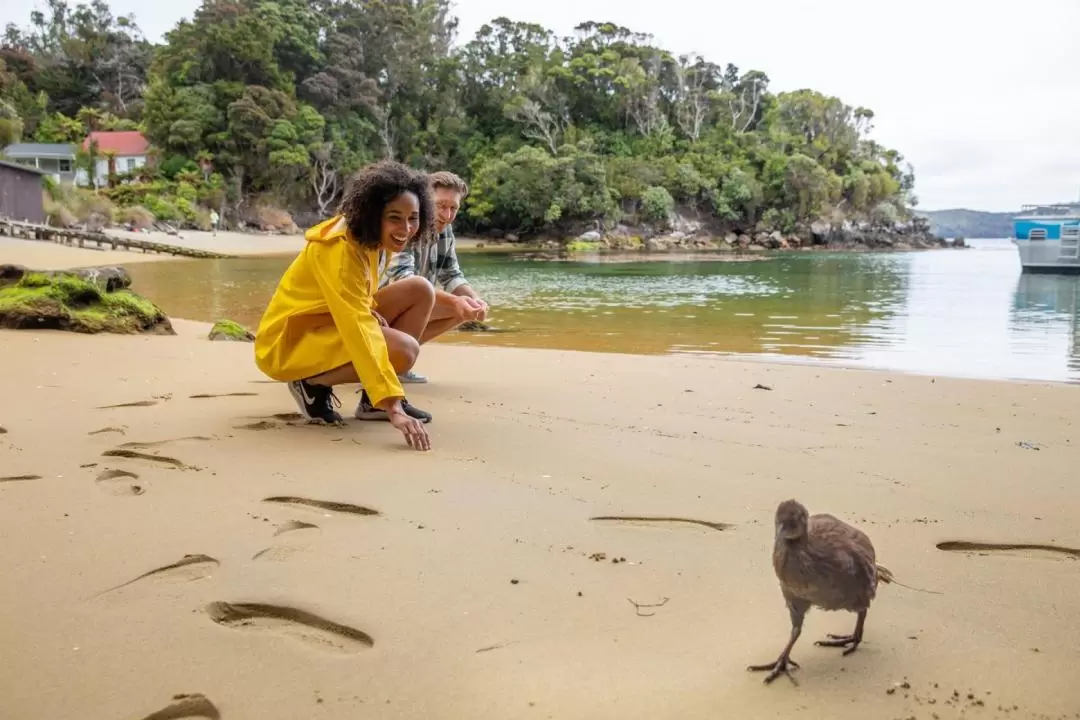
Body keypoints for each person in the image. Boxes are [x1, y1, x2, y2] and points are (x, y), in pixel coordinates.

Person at [253, 160, 437, 450]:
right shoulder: (340, 249)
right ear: (373, 213)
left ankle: (370, 402)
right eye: (395, 217)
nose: (406, 228)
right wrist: (393, 406)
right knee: (404, 351)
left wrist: (368, 311)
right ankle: (311, 385)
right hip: (288, 342)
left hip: (325, 322)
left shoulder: (374, 240)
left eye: (413, 218)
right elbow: (357, 326)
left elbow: (353, 301)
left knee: (421, 289)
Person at [379, 170, 489, 384]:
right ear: (425, 200)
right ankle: (392, 360)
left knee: (464, 310)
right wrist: (457, 302)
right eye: (441, 205)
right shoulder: (406, 226)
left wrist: (475, 302)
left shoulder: (445, 232)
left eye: (453, 208)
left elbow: (452, 274)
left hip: (410, 306)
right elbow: (404, 280)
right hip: (377, 308)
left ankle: (397, 362)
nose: (447, 215)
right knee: (428, 292)